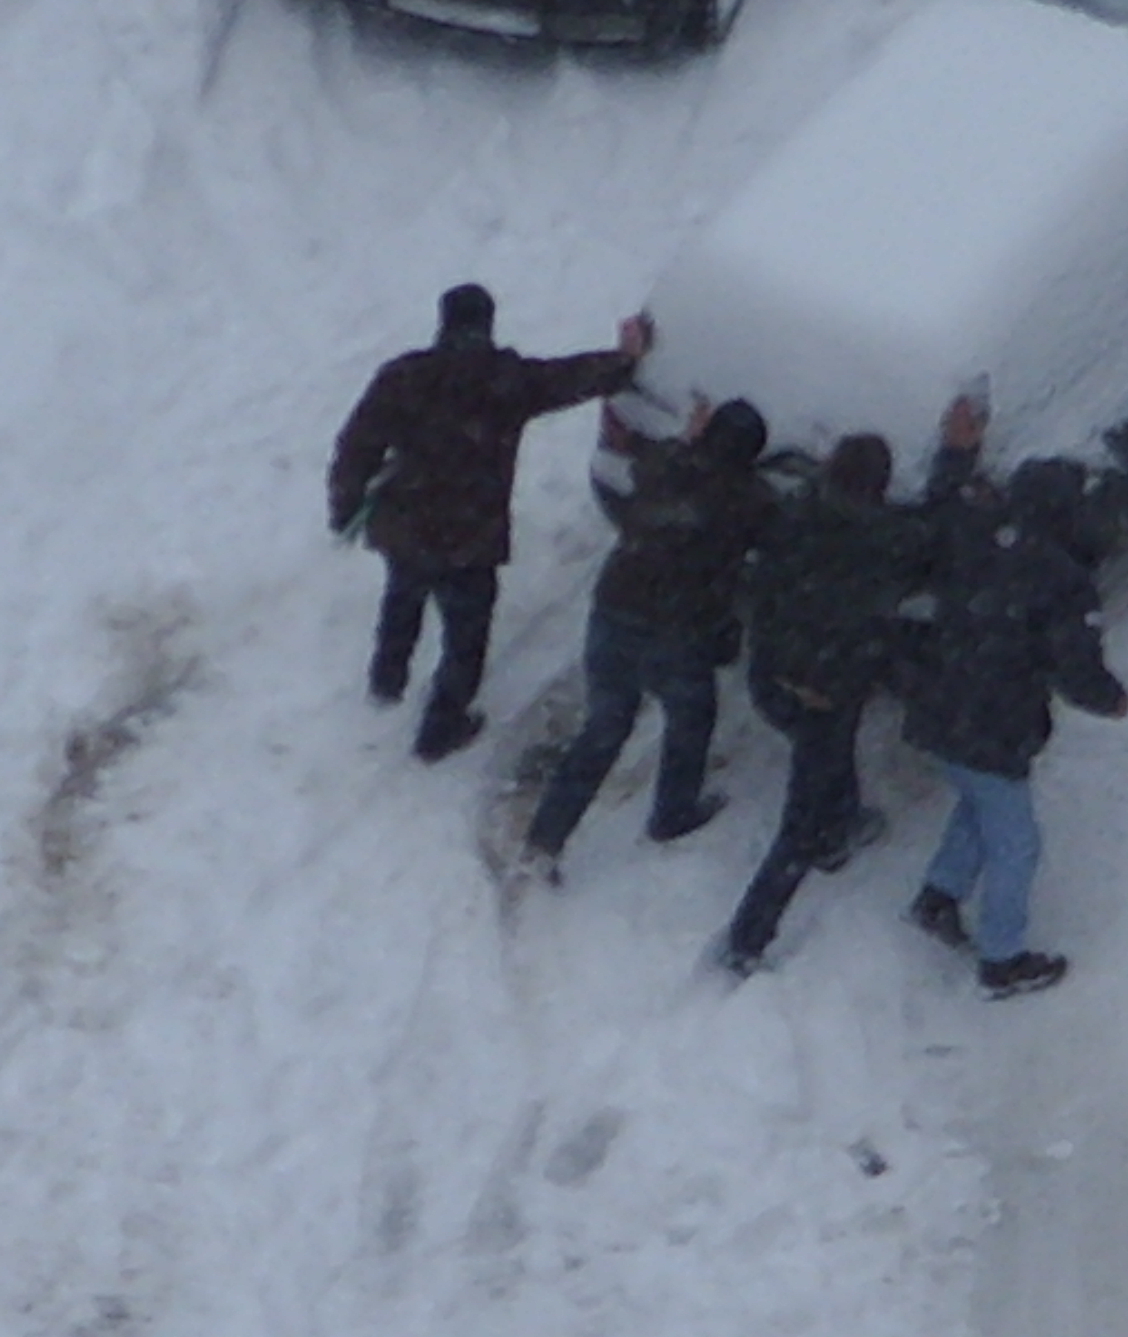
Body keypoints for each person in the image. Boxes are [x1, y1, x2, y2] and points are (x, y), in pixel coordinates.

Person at [328, 284, 648, 761]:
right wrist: (623, 360)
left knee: (402, 595)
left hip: (408, 522)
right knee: (466, 635)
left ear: (443, 322)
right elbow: (570, 377)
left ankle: (387, 678)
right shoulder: (505, 379)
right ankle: (441, 725)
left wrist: (345, 506)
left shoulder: (403, 376)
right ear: (487, 324)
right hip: (469, 534)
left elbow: (357, 445)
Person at [718, 413, 977, 976]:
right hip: (826, 689)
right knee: (799, 823)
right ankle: (747, 939)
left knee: (829, 752)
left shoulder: (794, 515)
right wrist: (956, 456)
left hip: (772, 675)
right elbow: (936, 527)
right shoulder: (885, 541)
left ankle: (843, 825)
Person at [900, 432, 1128, 999]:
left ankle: (940, 895)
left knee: (980, 800)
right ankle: (1002, 960)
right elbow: (1076, 668)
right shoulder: (1063, 579)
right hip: (995, 723)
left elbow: (941, 500)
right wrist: (1111, 697)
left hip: (939, 706)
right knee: (1017, 841)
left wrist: (956, 453)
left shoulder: (973, 535)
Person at [518, 396, 779, 879]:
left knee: (604, 728)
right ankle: (673, 811)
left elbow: (649, 470)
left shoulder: (662, 465)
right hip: (676, 627)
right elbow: (773, 538)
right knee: (691, 715)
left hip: (615, 610)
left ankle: (545, 840)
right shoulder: (750, 498)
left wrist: (688, 441)